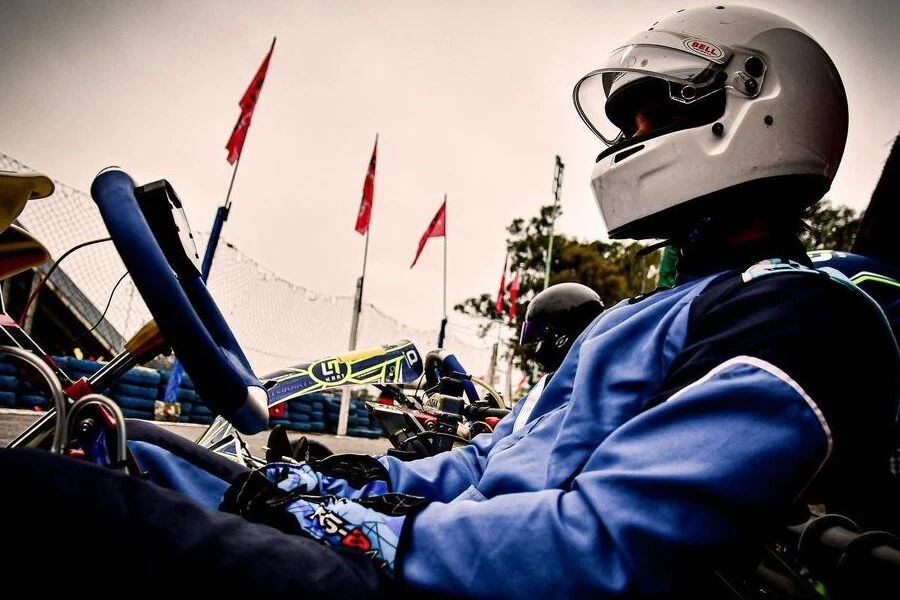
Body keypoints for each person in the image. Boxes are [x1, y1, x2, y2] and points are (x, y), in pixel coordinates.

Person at [1, 5, 899, 599]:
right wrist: (360, 486)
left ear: (749, 109)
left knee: (40, 498)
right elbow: (491, 472)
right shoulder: (643, 317)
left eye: (647, 115)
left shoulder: (800, 316)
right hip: (441, 559)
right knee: (135, 445)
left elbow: (602, 546)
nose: (630, 139)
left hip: (459, 589)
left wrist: (363, 534)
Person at [513, 281, 604, 431]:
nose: (538, 349)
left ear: (561, 339)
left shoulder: (554, 388)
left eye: (541, 339)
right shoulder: (601, 385)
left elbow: (513, 436)